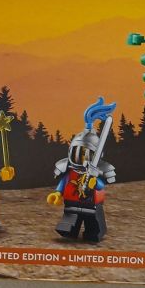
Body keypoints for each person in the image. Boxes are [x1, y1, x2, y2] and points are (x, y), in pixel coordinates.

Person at [47, 98, 116, 242]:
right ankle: (70, 231)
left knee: (93, 225)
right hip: (71, 204)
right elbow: (64, 181)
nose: (80, 156)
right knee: (68, 222)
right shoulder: (68, 167)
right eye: (77, 151)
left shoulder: (96, 169)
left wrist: (94, 183)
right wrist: (58, 193)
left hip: (91, 205)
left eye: (84, 152)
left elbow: (100, 186)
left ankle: (93, 233)